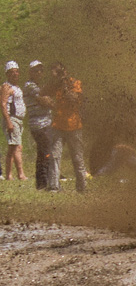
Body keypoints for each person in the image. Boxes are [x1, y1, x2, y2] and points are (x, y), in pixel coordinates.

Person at [43, 62, 86, 192]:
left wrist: (64, 85)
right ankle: (54, 186)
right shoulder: (55, 85)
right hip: (58, 125)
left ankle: (82, 187)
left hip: (74, 125)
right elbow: (41, 93)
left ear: (64, 71)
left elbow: (74, 99)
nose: (56, 75)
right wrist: (49, 101)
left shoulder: (74, 83)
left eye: (58, 72)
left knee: (77, 158)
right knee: (55, 156)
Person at [22, 60, 53, 189]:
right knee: (46, 151)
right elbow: (44, 101)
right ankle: (45, 180)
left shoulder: (39, 86)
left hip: (45, 122)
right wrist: (49, 102)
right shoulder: (30, 85)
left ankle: (41, 182)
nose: (39, 72)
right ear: (30, 72)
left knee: (42, 152)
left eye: (41, 70)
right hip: (39, 124)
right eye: (36, 70)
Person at [2, 61, 27, 181]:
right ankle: (16, 174)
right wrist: (8, 122)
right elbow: (3, 104)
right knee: (14, 147)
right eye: (12, 72)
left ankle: (14, 175)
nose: (15, 74)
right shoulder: (6, 86)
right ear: (7, 74)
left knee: (16, 147)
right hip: (12, 119)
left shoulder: (17, 87)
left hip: (19, 120)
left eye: (16, 72)